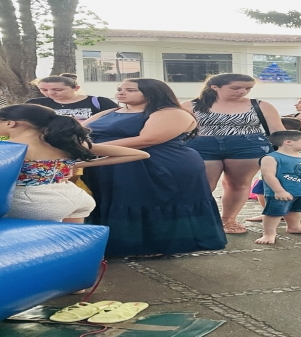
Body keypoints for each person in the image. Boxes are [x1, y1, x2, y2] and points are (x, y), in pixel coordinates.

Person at [83, 78, 227, 257]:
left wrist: (91, 149)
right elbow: (80, 130)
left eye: (130, 90)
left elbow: (147, 140)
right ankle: (116, 243)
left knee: (146, 201)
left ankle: (154, 246)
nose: (121, 92)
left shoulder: (171, 113)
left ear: (152, 92)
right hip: (109, 164)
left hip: (156, 164)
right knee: (113, 200)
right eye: (120, 89)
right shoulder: (110, 111)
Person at [1, 104, 148, 223]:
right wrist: (74, 165)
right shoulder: (65, 142)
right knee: (72, 245)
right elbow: (139, 154)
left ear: (10, 123)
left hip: (32, 202)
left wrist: (75, 166)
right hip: (74, 196)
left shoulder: (9, 147)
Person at [181, 73, 284, 234]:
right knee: (202, 185)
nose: (242, 91)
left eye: (248, 88)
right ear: (214, 87)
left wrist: (287, 153)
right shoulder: (190, 105)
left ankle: (228, 220)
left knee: (238, 184)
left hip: (247, 145)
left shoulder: (261, 105)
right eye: (235, 88)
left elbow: (277, 131)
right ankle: (197, 220)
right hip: (201, 145)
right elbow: (178, 130)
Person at [26, 74, 118, 121]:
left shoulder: (100, 102)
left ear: (76, 88)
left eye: (58, 90)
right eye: (44, 90)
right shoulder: (34, 104)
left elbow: (115, 122)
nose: (50, 93)